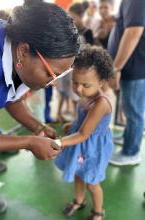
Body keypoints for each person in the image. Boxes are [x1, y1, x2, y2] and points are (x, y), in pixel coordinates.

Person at [0, 0, 79, 219]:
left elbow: (11, 97)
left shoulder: (18, 54)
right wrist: (28, 142)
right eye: (51, 74)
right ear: (24, 51)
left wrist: (37, 126)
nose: (53, 83)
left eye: (60, 76)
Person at [55, 45, 114, 220]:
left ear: (102, 82)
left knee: (92, 182)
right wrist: (72, 125)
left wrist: (58, 142)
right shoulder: (86, 96)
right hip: (80, 144)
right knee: (79, 175)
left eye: (85, 85)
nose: (79, 89)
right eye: (75, 82)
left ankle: (98, 211)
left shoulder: (101, 103)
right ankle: (79, 201)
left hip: (93, 148)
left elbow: (84, 134)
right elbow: (83, 123)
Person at [108, 0, 145, 166]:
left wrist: (116, 68)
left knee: (134, 112)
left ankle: (132, 152)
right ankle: (127, 138)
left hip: (134, 68)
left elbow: (134, 32)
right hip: (131, 67)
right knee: (130, 110)